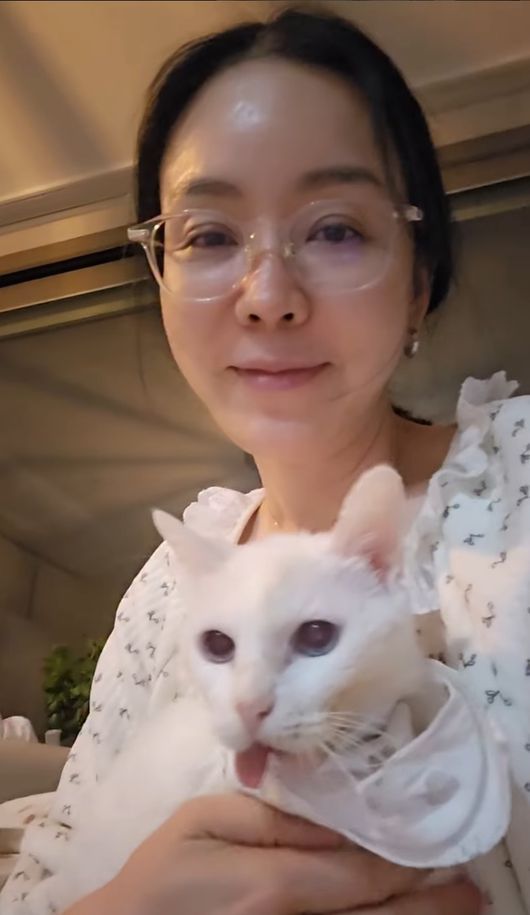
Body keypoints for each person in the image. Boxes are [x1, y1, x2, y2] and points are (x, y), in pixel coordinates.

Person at [2, 6, 529, 914]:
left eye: (335, 229)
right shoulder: (165, 591)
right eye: (208, 236)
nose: (268, 295)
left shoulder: (516, 484)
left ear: (419, 280)